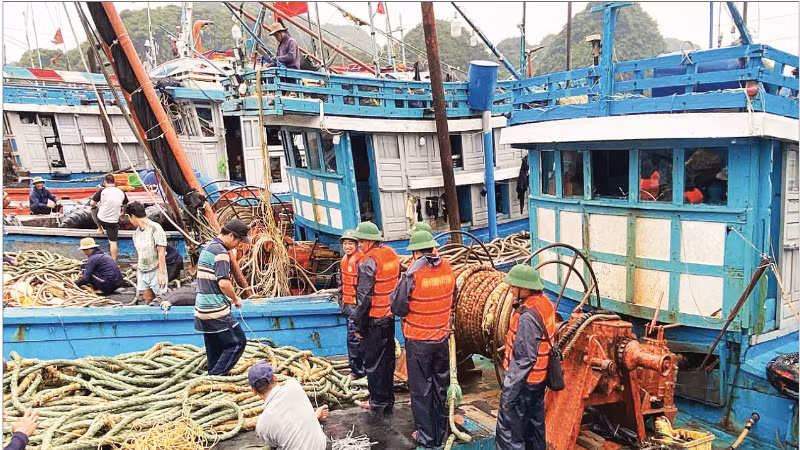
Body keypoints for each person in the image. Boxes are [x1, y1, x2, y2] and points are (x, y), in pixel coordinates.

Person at [390, 230, 455, 448]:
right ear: (433, 248)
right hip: (441, 339)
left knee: (421, 390)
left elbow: (397, 307)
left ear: (416, 252)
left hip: (419, 341)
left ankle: (427, 437)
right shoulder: (447, 267)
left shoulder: (412, 273)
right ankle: (441, 431)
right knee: (439, 386)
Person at [495, 264, 556, 450]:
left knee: (510, 436)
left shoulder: (528, 317)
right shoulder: (545, 305)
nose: (511, 290)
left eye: (514, 286)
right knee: (534, 432)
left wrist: (508, 394)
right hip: (536, 383)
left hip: (522, 385)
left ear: (525, 289)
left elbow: (524, 360)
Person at [352, 221, 399, 419]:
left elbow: (364, 299)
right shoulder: (391, 255)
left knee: (373, 363)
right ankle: (387, 400)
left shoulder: (369, 261)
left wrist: (357, 326)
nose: (359, 245)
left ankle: (378, 404)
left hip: (373, 321)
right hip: (388, 318)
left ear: (370, 241)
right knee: (387, 361)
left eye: (361, 241)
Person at [195, 219, 250, 376]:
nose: (239, 245)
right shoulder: (221, 253)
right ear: (231, 236)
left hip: (201, 310)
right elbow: (224, 284)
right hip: (215, 310)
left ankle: (212, 380)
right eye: (239, 240)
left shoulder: (208, 247)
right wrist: (235, 298)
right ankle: (216, 379)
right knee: (238, 342)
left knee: (215, 348)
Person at [248, 361, 329, 450]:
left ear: (253, 391)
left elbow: (275, 444)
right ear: (275, 378)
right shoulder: (294, 385)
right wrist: (315, 416)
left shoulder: (262, 426)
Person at [333, 230, 366, 380]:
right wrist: (341, 303)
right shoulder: (343, 261)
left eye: (350, 243)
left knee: (355, 338)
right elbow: (341, 284)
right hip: (348, 305)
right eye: (345, 243)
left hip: (356, 306)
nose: (347, 246)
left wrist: (360, 309)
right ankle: (357, 368)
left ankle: (358, 371)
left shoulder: (360, 261)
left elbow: (363, 288)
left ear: (357, 245)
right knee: (352, 339)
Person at [126, 202, 168, 304]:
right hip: (143, 271)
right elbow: (141, 254)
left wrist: (161, 274)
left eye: (128, 217)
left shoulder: (155, 228)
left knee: (162, 300)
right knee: (148, 300)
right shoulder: (136, 233)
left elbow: (161, 252)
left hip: (156, 270)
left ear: (132, 216)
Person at [90, 174, 129, 261]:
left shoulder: (102, 191)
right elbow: (126, 204)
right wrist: (123, 213)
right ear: (114, 182)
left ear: (105, 182)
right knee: (113, 242)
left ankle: (100, 228)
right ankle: (114, 261)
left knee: (93, 208)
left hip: (102, 219)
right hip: (114, 221)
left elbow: (92, 204)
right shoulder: (121, 192)